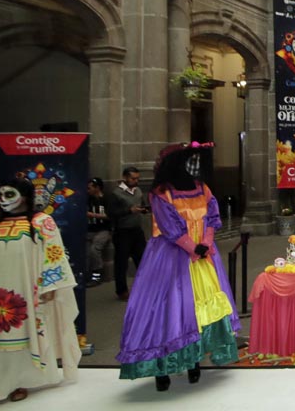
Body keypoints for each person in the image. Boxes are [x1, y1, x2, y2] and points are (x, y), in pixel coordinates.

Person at [117, 142, 240, 391]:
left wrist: (205, 242)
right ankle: (162, 369)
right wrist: (192, 247)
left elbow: (212, 216)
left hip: (202, 259)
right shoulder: (161, 193)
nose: (193, 166)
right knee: (168, 311)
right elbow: (169, 226)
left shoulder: (201, 188)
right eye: (188, 161)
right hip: (170, 258)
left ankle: (194, 361)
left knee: (201, 311)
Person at [0, 178, 80, 408]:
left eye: (9, 195)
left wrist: (50, 286)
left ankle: (19, 382)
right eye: (1, 196)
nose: (2, 201)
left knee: (25, 336)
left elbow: (54, 255)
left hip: (26, 292)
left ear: (25, 196)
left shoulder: (42, 222)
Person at [107, 166, 147, 301]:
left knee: (142, 260)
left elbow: (142, 204)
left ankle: (144, 288)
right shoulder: (116, 193)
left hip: (137, 230)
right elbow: (111, 213)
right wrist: (129, 210)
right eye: (133, 178)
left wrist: (144, 209)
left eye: (137, 178)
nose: (135, 181)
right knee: (121, 262)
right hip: (123, 231)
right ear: (125, 177)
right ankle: (122, 290)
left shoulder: (138, 191)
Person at [85, 178, 112, 287]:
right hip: (90, 229)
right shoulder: (88, 200)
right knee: (85, 252)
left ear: (97, 188)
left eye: (90, 188)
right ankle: (87, 275)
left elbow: (110, 215)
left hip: (103, 230)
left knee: (94, 249)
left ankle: (97, 276)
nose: (88, 190)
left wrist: (93, 215)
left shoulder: (106, 199)